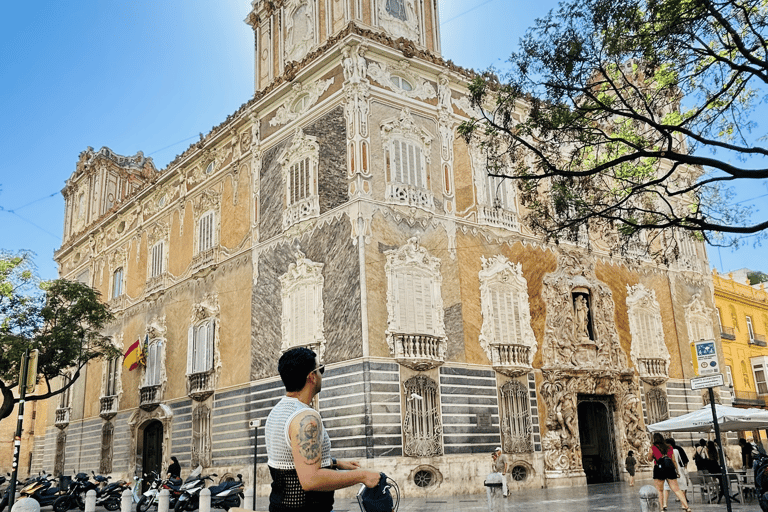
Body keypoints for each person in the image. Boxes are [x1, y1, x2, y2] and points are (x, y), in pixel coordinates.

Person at [265, 347, 381, 512]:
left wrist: (335, 463)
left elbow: (292, 460)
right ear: (311, 377)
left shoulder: (276, 412)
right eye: (321, 369)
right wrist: (363, 476)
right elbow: (311, 479)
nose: (321, 375)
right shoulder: (306, 418)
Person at [649, 433, 691, 512]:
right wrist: (677, 471)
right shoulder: (669, 447)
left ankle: (661, 509)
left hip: (659, 469)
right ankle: (687, 507)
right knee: (676, 489)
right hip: (670, 468)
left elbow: (650, 459)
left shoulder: (653, 447)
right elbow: (674, 460)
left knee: (660, 490)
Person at [664, 438, 690, 505]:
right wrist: (684, 468)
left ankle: (666, 503)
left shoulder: (666, 450)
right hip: (679, 468)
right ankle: (684, 498)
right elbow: (685, 460)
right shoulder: (679, 449)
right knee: (683, 484)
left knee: (668, 486)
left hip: (669, 470)